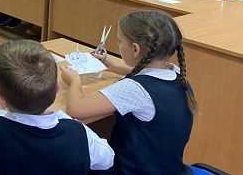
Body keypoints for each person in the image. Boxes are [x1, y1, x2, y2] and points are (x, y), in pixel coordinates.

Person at [0, 39, 114, 174]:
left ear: (1, 100)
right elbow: (107, 158)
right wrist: (62, 117)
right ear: (57, 88)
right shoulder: (80, 134)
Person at [60, 10, 197, 174]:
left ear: (135, 49)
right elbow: (148, 74)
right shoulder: (176, 73)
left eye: (119, 41)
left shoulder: (134, 88)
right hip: (168, 168)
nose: (118, 44)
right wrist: (113, 65)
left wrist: (74, 80)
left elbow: (76, 109)